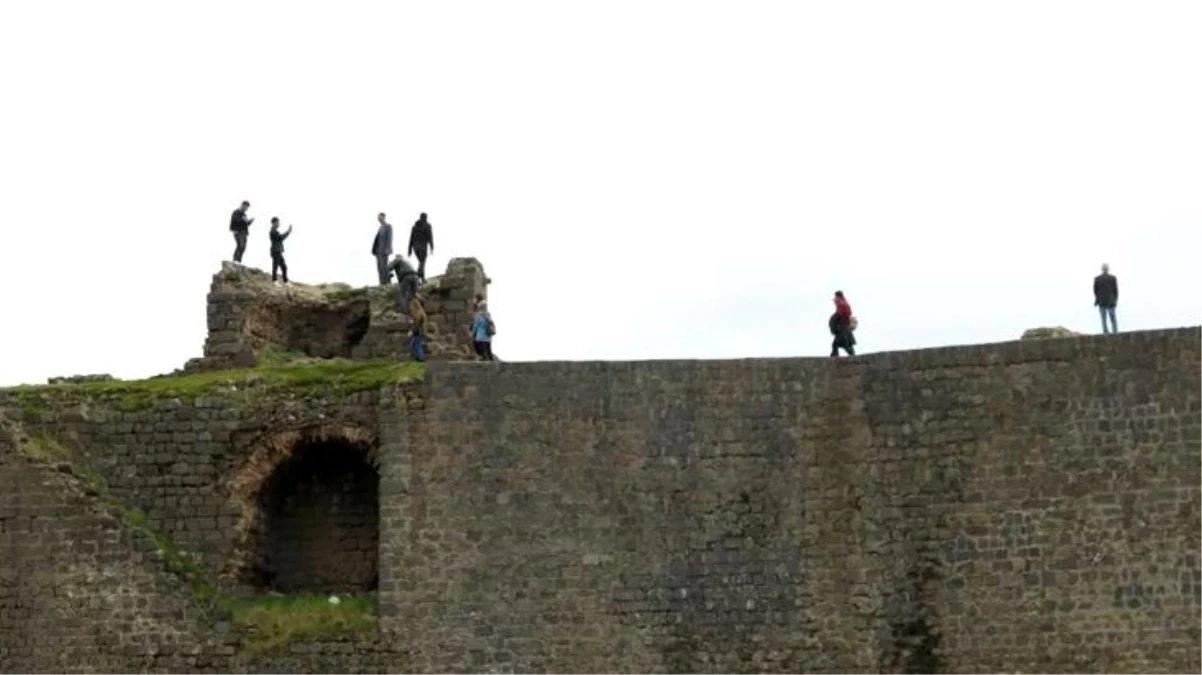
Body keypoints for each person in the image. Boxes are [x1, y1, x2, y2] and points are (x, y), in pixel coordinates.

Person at [408, 213, 434, 282]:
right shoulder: (428, 225)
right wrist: (432, 247)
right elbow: (430, 237)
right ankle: (417, 276)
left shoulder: (414, 226)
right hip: (423, 247)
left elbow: (411, 238)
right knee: (422, 262)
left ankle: (422, 278)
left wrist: (409, 250)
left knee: (421, 262)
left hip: (415, 248)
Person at [1093, 263, 1119, 334]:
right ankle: (1115, 331)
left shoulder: (1097, 279)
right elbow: (1116, 290)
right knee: (1112, 317)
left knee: (1103, 318)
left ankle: (1106, 332)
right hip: (1111, 300)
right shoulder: (1113, 278)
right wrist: (1115, 299)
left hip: (1101, 300)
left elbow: (1095, 291)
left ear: (1102, 269)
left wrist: (1097, 299)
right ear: (1108, 269)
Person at [829, 290, 856, 357]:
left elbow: (841, 315)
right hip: (844, 327)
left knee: (844, 344)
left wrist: (836, 323)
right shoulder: (844, 303)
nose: (835, 299)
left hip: (842, 328)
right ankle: (834, 355)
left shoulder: (841, 304)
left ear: (838, 296)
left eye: (835, 297)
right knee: (838, 344)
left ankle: (853, 356)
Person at [268, 218, 293, 284]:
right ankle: (275, 281)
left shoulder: (275, 231)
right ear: (274, 223)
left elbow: (280, 238)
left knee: (284, 267)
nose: (279, 224)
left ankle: (285, 281)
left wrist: (288, 232)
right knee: (275, 266)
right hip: (275, 251)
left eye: (279, 222)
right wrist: (288, 232)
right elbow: (280, 238)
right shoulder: (273, 231)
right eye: (278, 222)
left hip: (278, 251)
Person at [371, 213, 394, 285]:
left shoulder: (388, 226)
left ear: (384, 217)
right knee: (379, 267)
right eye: (378, 218)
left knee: (384, 266)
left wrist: (389, 248)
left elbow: (390, 238)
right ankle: (382, 282)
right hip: (378, 250)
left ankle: (387, 282)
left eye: (380, 218)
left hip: (384, 250)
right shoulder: (380, 227)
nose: (379, 219)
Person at [409, 294, 428, 362]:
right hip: (420, 331)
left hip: (418, 331)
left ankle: (421, 357)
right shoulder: (421, 312)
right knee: (414, 344)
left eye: (411, 306)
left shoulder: (418, 313)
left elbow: (416, 324)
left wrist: (412, 331)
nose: (410, 307)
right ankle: (417, 357)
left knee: (417, 344)